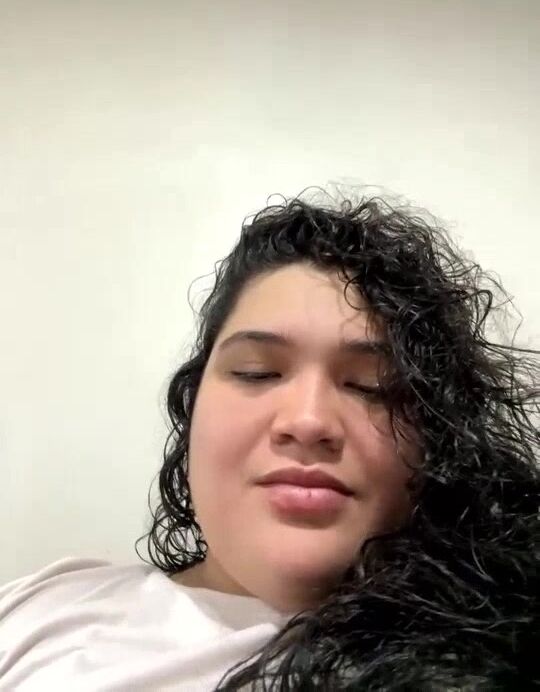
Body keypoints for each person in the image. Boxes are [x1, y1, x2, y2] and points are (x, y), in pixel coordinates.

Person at [1, 191, 538, 690]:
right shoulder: (41, 606)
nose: (308, 421)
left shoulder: (501, 652)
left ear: (437, 443)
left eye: (370, 386)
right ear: (192, 407)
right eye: (256, 372)